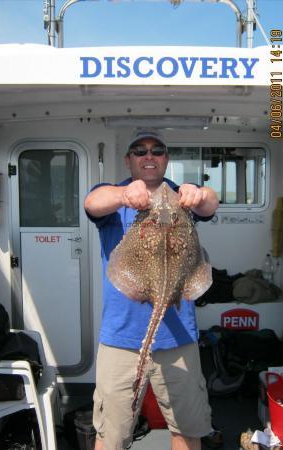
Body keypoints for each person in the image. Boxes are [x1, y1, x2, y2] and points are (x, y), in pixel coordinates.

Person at [84, 129, 220, 450]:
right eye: (140, 151)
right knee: (111, 433)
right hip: (121, 336)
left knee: (187, 427)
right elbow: (92, 202)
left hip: (178, 337)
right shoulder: (114, 194)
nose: (149, 156)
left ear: (166, 160)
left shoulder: (180, 197)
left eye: (157, 151)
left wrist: (199, 194)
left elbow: (210, 203)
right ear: (128, 160)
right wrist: (123, 195)